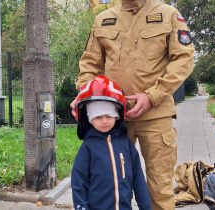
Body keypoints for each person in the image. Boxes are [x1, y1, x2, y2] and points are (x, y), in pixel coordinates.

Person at [70, 0, 195, 208]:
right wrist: (84, 94)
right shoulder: (103, 20)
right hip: (112, 118)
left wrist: (153, 95)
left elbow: (183, 58)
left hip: (155, 114)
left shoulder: (168, 14)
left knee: (159, 186)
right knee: (110, 181)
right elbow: (90, 63)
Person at [71, 75, 151, 210]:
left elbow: (138, 179)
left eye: (109, 115)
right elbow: (79, 181)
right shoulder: (88, 147)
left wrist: (146, 206)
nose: (104, 121)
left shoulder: (126, 145)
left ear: (117, 115)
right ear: (89, 118)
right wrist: (81, 207)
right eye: (98, 116)